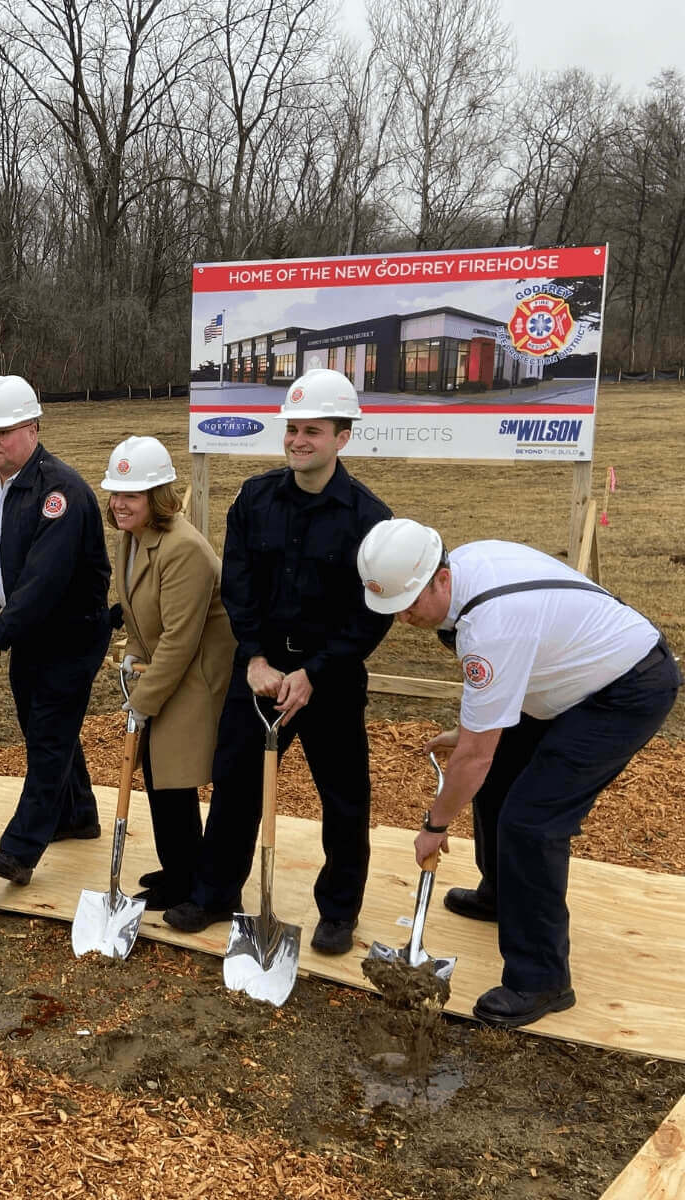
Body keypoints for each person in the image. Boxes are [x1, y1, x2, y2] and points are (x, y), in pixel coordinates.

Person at [357, 517, 683, 1029]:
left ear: (441, 578)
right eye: (393, 607)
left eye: (409, 603)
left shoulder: (491, 628)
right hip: (567, 678)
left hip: (624, 690)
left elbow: (473, 760)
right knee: (501, 777)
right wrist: (472, 732)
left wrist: (435, 825)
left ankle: (541, 979)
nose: (403, 618)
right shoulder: (471, 563)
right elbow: (489, 732)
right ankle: (502, 895)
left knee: (533, 822)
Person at [164, 368, 393, 955]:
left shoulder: (371, 520)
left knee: (344, 798)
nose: (297, 441)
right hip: (261, 674)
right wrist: (257, 659)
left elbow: (372, 615)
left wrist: (315, 673)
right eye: (292, 429)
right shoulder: (254, 499)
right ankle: (215, 893)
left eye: (312, 431)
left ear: (343, 437)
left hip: (331, 682)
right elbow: (237, 586)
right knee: (237, 783)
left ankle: (339, 912)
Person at [0, 375, 111, 886]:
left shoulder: (61, 492)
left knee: (48, 737)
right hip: (25, 633)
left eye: (4, 431)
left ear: (33, 428)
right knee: (45, 730)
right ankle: (77, 814)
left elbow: (44, 582)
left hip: (71, 633)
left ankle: (19, 850)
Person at [99, 436, 235, 910]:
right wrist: (135, 650)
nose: (119, 504)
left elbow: (181, 638)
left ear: (157, 497)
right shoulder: (130, 540)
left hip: (199, 674)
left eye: (131, 495)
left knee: (171, 773)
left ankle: (185, 877)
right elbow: (142, 613)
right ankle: (178, 865)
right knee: (157, 771)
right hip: (169, 667)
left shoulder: (184, 550)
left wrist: (141, 701)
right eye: (116, 494)